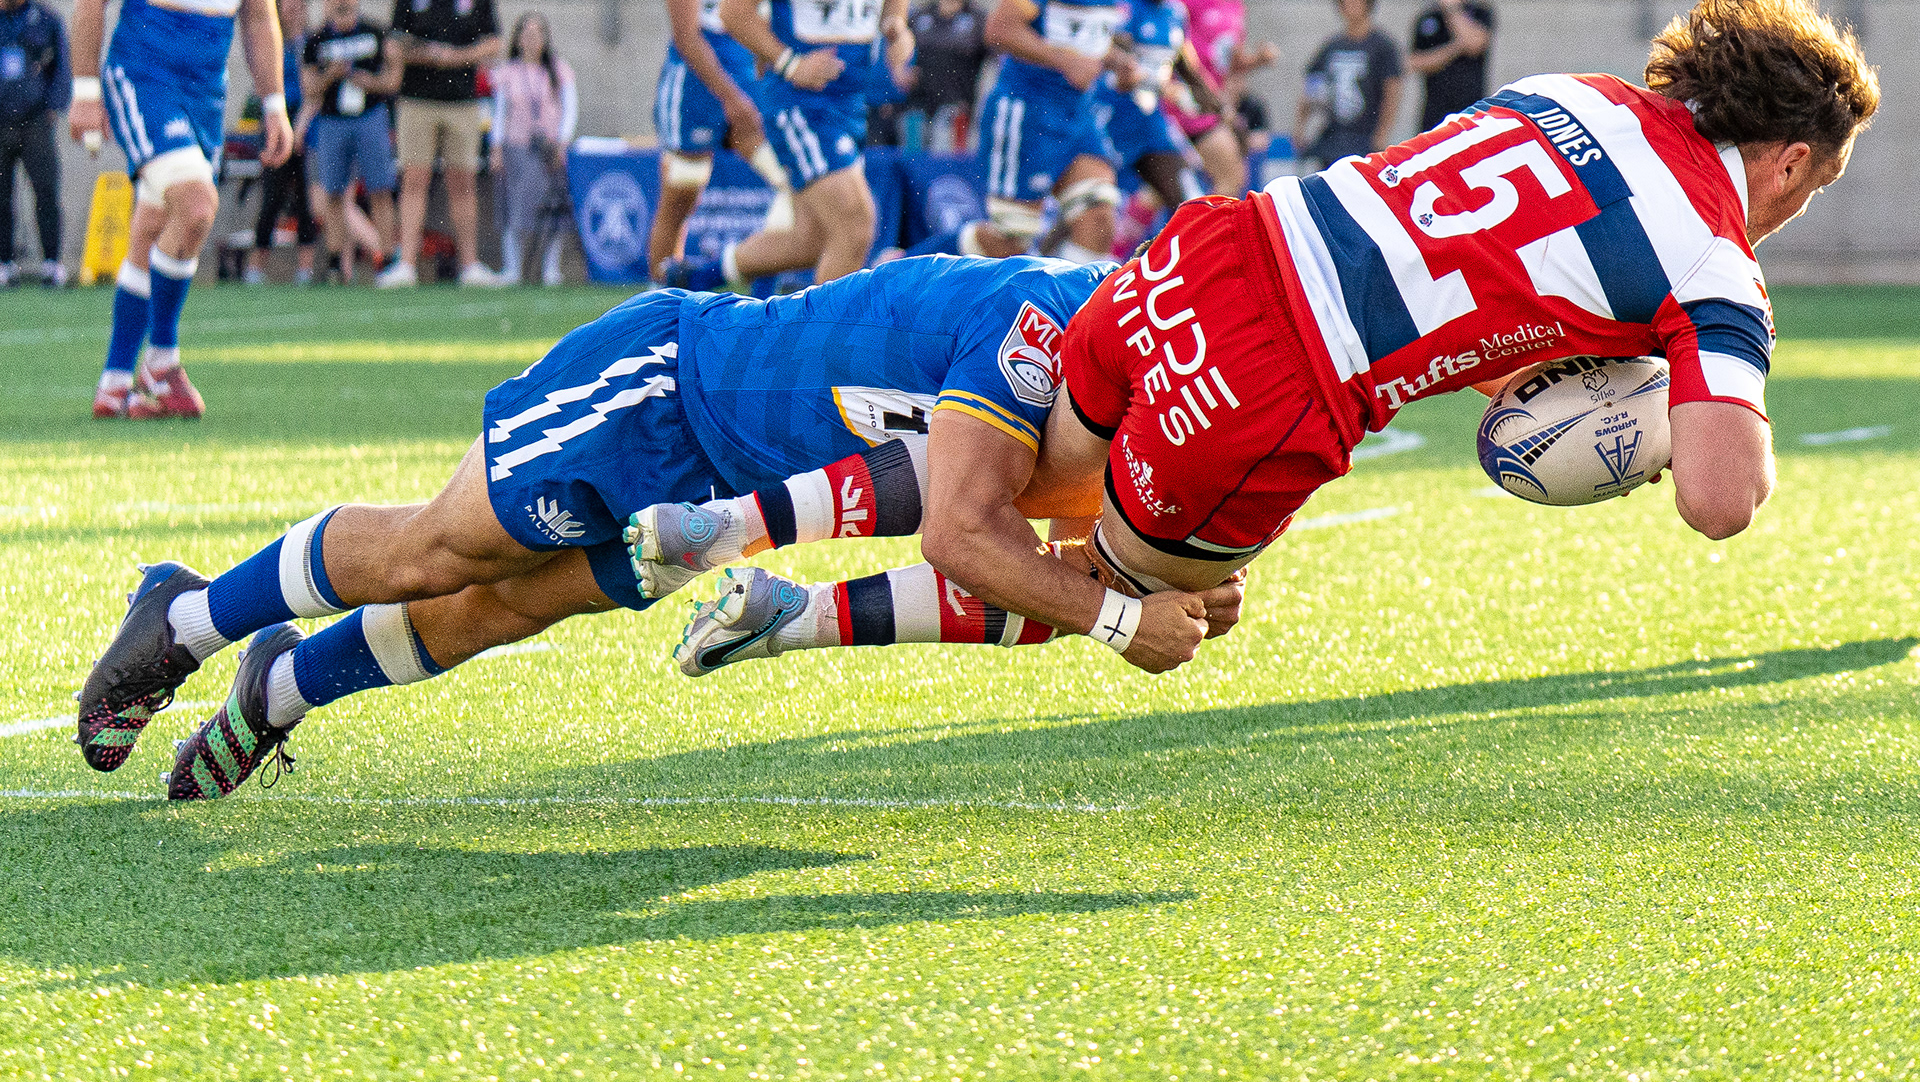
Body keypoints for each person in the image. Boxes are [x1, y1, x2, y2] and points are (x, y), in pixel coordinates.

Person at [669, 0, 1881, 680]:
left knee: (1041, 463)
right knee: (1161, 602)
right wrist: (1665, 410)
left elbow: (1472, 269)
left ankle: (730, 522)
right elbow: (1725, 497)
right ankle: (797, 616)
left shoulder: (1579, 91)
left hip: (1216, 243)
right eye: (1811, 187)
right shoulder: (1714, 263)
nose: (1789, 212)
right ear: (1784, 159)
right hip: (1279, 382)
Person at [70, 254, 1239, 797]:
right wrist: (1124, 607)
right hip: (669, 380)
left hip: (725, 506)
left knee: (498, 611)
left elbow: (1034, 586)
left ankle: (279, 689)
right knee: (445, 547)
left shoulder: (1154, 424)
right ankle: (185, 611)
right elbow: (972, 543)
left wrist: (1169, 586)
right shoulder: (1044, 328)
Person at [70, 0, 293, 420]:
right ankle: (161, 362)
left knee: (152, 227)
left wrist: (274, 103)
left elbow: (259, 17)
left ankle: (116, 382)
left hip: (205, 94)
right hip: (142, 79)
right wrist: (85, 91)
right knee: (197, 206)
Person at [666, 0, 910, 289]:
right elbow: (734, 10)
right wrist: (792, 64)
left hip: (848, 104)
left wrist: (897, 26)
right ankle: (817, 348)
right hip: (801, 105)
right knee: (857, 224)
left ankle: (698, 275)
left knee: (811, 238)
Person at [645, 0, 795, 281]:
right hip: (695, 87)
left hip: (746, 83)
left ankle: (775, 278)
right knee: (680, 201)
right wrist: (732, 98)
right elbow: (687, 36)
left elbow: (767, 23)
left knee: (790, 180)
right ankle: (660, 295)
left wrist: (770, 82)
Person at [979, 0, 1135, 263]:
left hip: (1077, 114)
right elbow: (1000, 28)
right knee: (1008, 243)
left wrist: (1116, 59)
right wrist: (1065, 61)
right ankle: (905, 263)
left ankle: (1066, 319)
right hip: (1028, 111)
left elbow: (1083, 33)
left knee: (1100, 219)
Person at [377, 0, 508, 289]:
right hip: (417, 100)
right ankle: (406, 263)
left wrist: (457, 56)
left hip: (462, 101)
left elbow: (494, 43)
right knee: (414, 179)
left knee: (462, 180)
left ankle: (469, 265)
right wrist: (428, 54)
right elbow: (394, 44)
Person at [1088, 0, 1220, 227]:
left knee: (1190, 202)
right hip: (1110, 118)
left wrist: (1218, 106)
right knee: (1088, 204)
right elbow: (1120, 61)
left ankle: (1178, 265)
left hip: (1148, 122)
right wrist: (1161, 86)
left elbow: (1186, 65)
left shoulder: (1175, 12)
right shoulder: (1123, 7)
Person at [300, 0, 399, 282]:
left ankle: (388, 259)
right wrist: (331, 74)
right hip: (332, 121)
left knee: (380, 188)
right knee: (333, 192)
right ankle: (336, 264)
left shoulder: (375, 32)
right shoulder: (316, 39)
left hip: (369, 116)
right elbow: (309, 88)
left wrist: (371, 82)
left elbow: (394, 79)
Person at [1169, 0, 1278, 199]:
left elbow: (1231, 61)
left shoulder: (1236, 7)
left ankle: (1127, 240)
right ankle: (1203, 237)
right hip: (1182, 99)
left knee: (1168, 188)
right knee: (1229, 176)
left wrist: (1257, 60)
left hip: (1209, 103)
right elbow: (1165, 31)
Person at [490, 11, 576, 284]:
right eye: (526, 34)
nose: (531, 39)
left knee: (553, 210)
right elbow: (500, 112)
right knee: (515, 207)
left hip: (549, 150)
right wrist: (496, 147)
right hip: (518, 147)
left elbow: (569, 107)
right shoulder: (508, 73)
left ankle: (551, 268)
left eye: (537, 33)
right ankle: (513, 268)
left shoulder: (558, 70)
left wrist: (563, 141)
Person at [0, 0, 66, 287]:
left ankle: (51, 262)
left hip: (34, 119)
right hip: (0, 121)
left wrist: (55, 106)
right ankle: (4, 262)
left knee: (46, 192)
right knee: (1, 195)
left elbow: (62, 67)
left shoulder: (45, 18)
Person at [248, 0, 321, 284]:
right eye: (289, 7)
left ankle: (305, 269)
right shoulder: (273, 43)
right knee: (272, 198)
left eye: (299, 7)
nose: (295, 13)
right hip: (278, 125)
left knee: (306, 201)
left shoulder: (313, 43)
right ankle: (255, 268)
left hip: (308, 128)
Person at [1294, 0, 1402, 170]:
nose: (1351, 4)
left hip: (1365, 138)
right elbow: (1311, 87)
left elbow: (1392, 91)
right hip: (1333, 137)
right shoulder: (1331, 46)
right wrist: (1301, 126)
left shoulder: (1382, 45)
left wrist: (1381, 136)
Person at [903, 0, 987, 152]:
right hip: (917, 110)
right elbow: (897, 49)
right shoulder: (918, 17)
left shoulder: (979, 20)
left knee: (948, 175)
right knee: (914, 170)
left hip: (958, 114)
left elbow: (996, 64)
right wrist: (899, 71)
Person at [1406, 0, 1494, 132]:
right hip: (1434, 116)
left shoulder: (1480, 11)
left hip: (1472, 115)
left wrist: (1452, 9)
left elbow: (1475, 44)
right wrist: (1455, 47)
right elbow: (1414, 62)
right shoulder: (1426, 18)